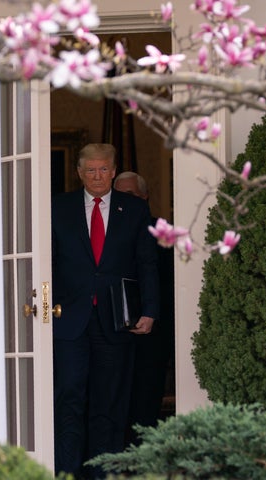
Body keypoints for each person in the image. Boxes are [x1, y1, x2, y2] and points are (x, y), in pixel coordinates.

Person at [51, 144, 160, 479]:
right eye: (90, 170)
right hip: (69, 320)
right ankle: (66, 472)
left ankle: (104, 474)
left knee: (109, 404)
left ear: (113, 171)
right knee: (69, 400)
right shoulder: (58, 207)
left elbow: (147, 263)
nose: (97, 176)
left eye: (104, 169)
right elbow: (48, 262)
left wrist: (150, 309)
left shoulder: (134, 210)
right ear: (80, 172)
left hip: (116, 319)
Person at [114, 172, 175, 443]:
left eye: (132, 196)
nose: (127, 202)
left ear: (145, 198)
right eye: (121, 196)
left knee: (147, 397)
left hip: (154, 333)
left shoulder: (164, 233)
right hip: (113, 332)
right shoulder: (103, 233)